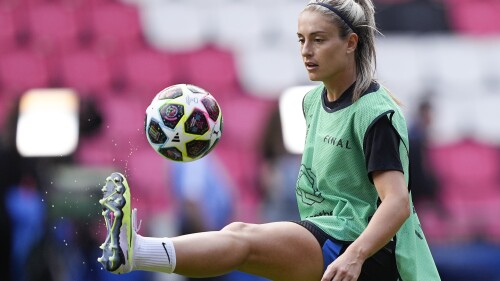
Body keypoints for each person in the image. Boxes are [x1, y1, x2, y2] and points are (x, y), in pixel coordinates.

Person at [97, 1, 441, 280]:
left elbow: (396, 203)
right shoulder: (310, 102)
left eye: (318, 40)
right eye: (301, 39)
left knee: (243, 238)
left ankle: (137, 252)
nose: (306, 50)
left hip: (370, 253)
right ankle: (137, 252)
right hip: (331, 234)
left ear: (351, 43)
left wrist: (354, 256)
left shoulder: (374, 112)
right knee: (240, 236)